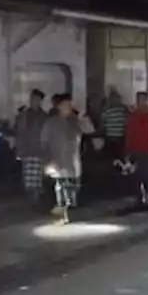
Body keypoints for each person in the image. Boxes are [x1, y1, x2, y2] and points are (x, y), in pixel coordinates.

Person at [41, 94, 86, 222]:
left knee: (73, 187)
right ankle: (62, 212)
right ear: (59, 107)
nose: (69, 108)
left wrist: (82, 119)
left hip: (73, 161)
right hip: (58, 160)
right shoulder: (51, 123)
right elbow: (44, 141)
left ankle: (70, 209)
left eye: (70, 106)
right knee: (61, 186)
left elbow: (88, 131)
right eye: (66, 105)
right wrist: (49, 159)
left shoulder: (75, 121)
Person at [124, 92, 148, 207]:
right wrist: (128, 150)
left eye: (146, 100)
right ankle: (140, 198)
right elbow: (129, 134)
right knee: (138, 175)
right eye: (142, 100)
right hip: (137, 149)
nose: (145, 103)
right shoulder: (133, 117)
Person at [15, 90, 49, 201]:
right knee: (28, 176)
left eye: (37, 99)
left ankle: (36, 197)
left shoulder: (44, 116)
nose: (34, 101)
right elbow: (20, 131)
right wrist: (19, 149)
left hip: (39, 149)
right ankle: (32, 197)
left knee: (38, 176)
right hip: (27, 149)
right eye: (33, 99)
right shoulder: (24, 115)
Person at [100, 90, 129, 161]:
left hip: (112, 138)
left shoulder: (106, 111)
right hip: (120, 138)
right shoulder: (124, 109)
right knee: (119, 157)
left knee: (111, 158)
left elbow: (102, 124)